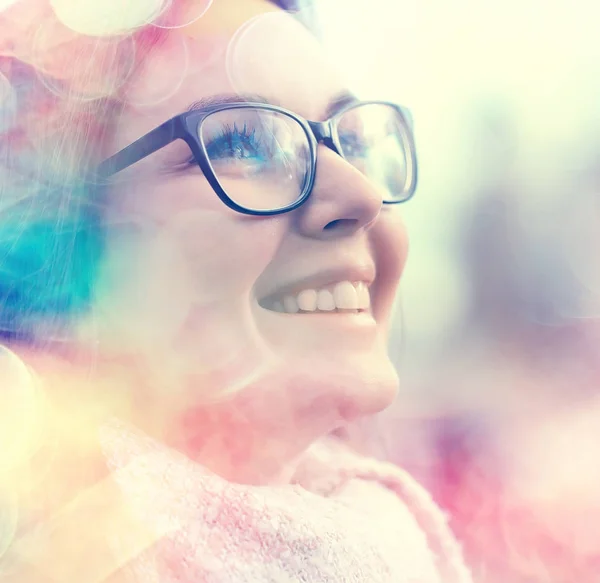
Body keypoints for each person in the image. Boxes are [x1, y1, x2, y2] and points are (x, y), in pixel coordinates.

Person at [0, 0, 472, 581]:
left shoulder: (392, 536)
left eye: (350, 140)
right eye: (241, 144)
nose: (361, 194)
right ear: (60, 236)